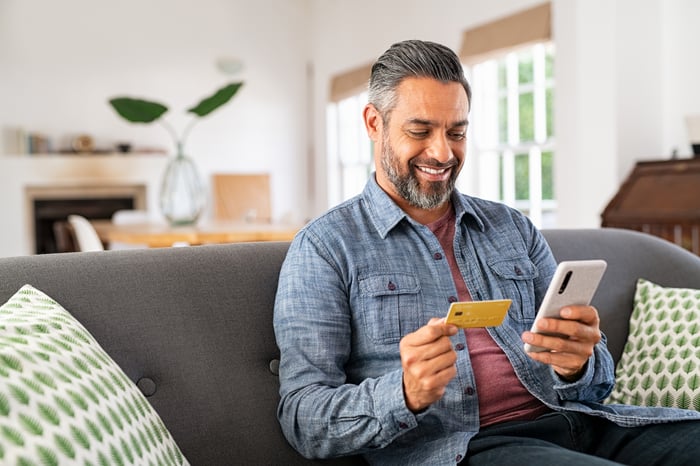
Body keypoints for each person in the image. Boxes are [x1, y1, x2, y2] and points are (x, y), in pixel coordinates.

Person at [273, 39, 700, 465]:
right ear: (373, 123)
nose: (442, 153)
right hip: (467, 447)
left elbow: (596, 382)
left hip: (582, 422)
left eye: (456, 133)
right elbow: (302, 419)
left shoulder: (512, 227)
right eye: (420, 131)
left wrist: (578, 364)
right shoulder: (326, 247)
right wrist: (403, 394)